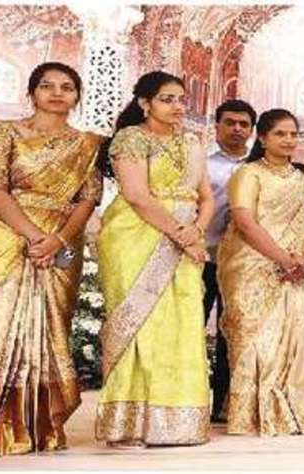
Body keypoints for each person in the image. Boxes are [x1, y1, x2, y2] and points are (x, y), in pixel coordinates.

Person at [0, 62, 103, 457]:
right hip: (6, 234)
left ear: (77, 96)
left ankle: (38, 426)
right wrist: (35, 236)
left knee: (53, 325)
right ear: (31, 93)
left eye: (67, 87)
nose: (57, 93)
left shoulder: (89, 144)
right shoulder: (2, 133)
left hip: (63, 240)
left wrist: (58, 240)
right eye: (47, 86)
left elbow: (88, 199)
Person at [93, 71, 215, 448]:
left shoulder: (192, 141)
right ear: (145, 103)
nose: (177, 106)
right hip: (136, 237)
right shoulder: (131, 138)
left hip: (185, 238)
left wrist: (196, 231)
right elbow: (136, 196)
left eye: (180, 99)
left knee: (181, 324)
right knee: (141, 325)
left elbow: (206, 197)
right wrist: (183, 236)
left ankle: (176, 425)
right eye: (167, 99)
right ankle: (129, 425)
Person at [217, 109, 304, 436]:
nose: (288, 140)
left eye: (293, 134)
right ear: (262, 138)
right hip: (253, 267)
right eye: (280, 134)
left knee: (298, 339)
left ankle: (296, 409)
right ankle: (252, 413)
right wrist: (283, 259)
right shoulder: (249, 174)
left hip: (300, 269)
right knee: (256, 342)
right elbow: (244, 222)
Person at [202, 98, 256, 421]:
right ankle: (191, 402)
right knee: (193, 327)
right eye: (230, 123)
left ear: (252, 130)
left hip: (245, 263)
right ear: (217, 126)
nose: (237, 129)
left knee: (233, 332)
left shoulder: (259, 168)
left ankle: (225, 403)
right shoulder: (203, 166)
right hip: (204, 257)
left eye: (243, 124)